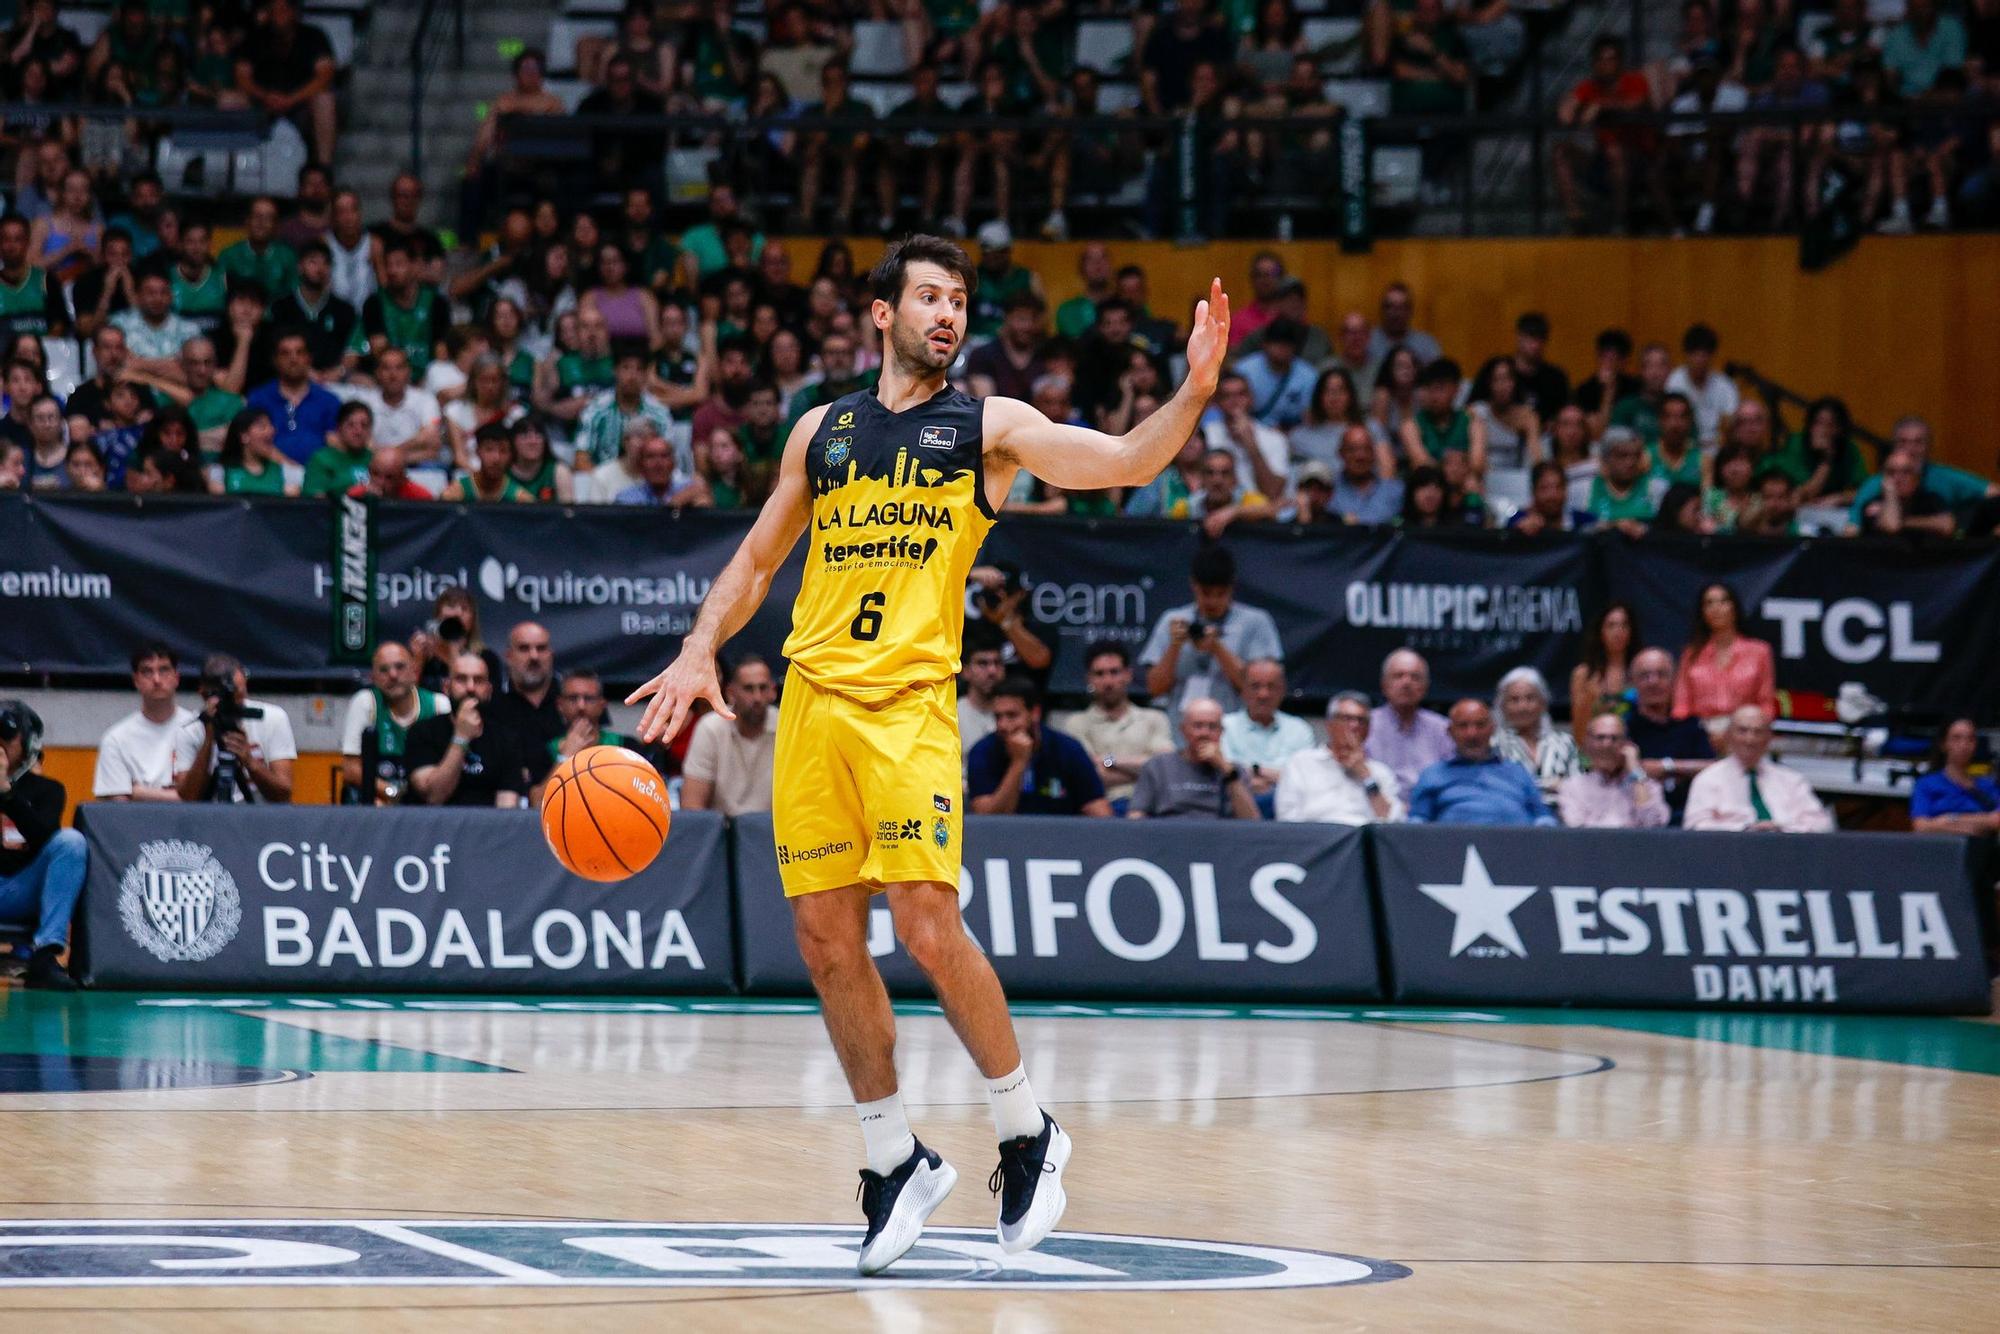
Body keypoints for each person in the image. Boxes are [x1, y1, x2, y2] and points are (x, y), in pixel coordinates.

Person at [622, 236, 1232, 1275]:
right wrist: (697, 646)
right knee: (823, 940)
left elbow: (1123, 460)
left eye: (959, 300)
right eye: (929, 297)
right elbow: (760, 554)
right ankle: (891, 1158)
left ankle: (1027, 1129)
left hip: (908, 706)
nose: (948, 314)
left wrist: (1193, 388)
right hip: (813, 702)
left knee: (923, 919)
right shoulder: (824, 429)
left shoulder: (987, 427)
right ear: (880, 312)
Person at [1138, 543, 1282, 722]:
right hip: (1181, 726)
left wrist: (1217, 648)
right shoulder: (1172, 620)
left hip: (1235, 729)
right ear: (1193, 585)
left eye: (1221, 594)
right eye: (1206, 593)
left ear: (1232, 587)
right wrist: (1175, 646)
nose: (1213, 601)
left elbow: (1258, 690)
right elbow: (1154, 688)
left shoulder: (1256, 621)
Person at [0, 699, 82, 989]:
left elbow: (43, 836)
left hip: (24, 889)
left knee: (71, 842)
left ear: (30, 744)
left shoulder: (49, 790)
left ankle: (45, 956)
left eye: (7, 736)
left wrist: (7, 795)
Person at [1055, 641, 1173, 814]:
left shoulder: (1155, 719)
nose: (1108, 681)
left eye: (1114, 672)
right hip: (1101, 810)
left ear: (1128, 675)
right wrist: (1144, 771)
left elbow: (1165, 767)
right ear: (1089, 678)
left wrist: (1109, 761)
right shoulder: (1076, 723)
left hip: (1151, 809)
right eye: (1100, 674)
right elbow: (1087, 777)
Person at [967, 678, 1112, 817]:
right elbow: (988, 821)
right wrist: (1018, 762)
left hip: (1058, 837)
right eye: (998, 717)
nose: (1003, 725)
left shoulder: (1067, 749)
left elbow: (1100, 812)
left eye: (1012, 715)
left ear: (1035, 713)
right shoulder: (982, 752)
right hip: (1005, 839)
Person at [402, 652, 529, 808]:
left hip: (487, 829)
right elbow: (434, 796)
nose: (470, 687)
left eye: (478, 680)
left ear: (489, 691)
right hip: (432, 828)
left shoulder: (506, 739)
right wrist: (461, 737)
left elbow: (507, 808)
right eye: (461, 679)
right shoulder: (422, 732)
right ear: (446, 687)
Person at [1407, 700, 1559, 827]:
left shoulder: (1517, 771)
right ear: (1450, 732)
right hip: (1454, 854)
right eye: (1463, 726)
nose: (1472, 734)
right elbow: (1416, 826)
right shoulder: (1433, 775)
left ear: (1492, 729)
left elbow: (1544, 818)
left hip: (1517, 852)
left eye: (1480, 725)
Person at [1684, 705, 1835, 832]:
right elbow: (1695, 826)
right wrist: (1744, 829)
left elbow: (1823, 824)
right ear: (1728, 736)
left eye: (1758, 732)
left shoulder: (1791, 780)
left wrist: (1783, 829)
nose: (1750, 739)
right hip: (1730, 855)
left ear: (1769, 737)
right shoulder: (1708, 779)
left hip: (1787, 853)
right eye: (1743, 731)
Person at [171, 654, 296, 804]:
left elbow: (283, 794)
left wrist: (250, 762)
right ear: (203, 693)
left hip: (260, 819)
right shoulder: (189, 728)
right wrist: (209, 737)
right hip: (209, 820)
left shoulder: (273, 718)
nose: (235, 704)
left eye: (240, 694)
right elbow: (188, 797)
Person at [338, 641, 451, 803]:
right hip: (378, 801)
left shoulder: (439, 704)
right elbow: (350, 770)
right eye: (384, 669)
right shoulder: (365, 702)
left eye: (400, 667)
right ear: (373, 678)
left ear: (415, 671)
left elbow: (449, 765)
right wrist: (390, 793)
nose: (393, 675)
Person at [1276, 691, 1404, 825]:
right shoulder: (1300, 763)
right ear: (1329, 724)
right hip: (1317, 840)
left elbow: (1394, 823)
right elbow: (1287, 819)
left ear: (1369, 730)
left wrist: (1366, 776)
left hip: (1363, 841)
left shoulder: (1381, 772)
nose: (1354, 726)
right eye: (1346, 718)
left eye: (1362, 720)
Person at [1129, 698, 1262, 820]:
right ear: (1183, 730)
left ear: (1222, 732)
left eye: (1212, 727)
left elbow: (1252, 822)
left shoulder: (1235, 771)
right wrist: (1109, 761)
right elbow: (1136, 815)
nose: (1205, 733)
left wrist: (1228, 772)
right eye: (1198, 726)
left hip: (1218, 839)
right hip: (1169, 837)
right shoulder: (1158, 766)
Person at [93, 642, 194, 801]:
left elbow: (206, 799)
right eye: (147, 671)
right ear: (136, 680)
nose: (156, 679)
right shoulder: (116, 739)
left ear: (177, 677)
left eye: (164, 670)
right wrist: (178, 796)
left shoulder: (198, 728)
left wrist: (138, 792)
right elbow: (116, 810)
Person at [680, 655, 779, 816]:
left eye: (763, 688)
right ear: (731, 693)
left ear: (773, 692)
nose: (757, 698)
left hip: (773, 834)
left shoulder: (787, 727)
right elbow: (692, 807)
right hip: (723, 833)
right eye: (749, 689)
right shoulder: (710, 728)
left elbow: (804, 801)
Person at [1674, 582, 1777, 731]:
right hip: (1700, 731)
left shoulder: (1760, 651)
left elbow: (1766, 703)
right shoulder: (1691, 654)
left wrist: (1754, 731)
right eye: (1709, 603)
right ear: (1702, 612)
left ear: (1734, 607)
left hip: (1745, 730)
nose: (1716, 608)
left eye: (1723, 601)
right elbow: (1681, 705)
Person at [1221, 658, 1315, 818]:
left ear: (1283, 690)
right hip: (1234, 807)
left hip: (1289, 809)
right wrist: (1278, 777)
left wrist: (1253, 771)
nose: (1263, 694)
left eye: (1271, 687)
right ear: (1242, 689)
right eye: (1255, 686)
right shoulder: (1224, 725)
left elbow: (1305, 777)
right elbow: (1223, 771)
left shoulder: (1300, 729)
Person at [1557, 713, 1670, 829]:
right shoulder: (1573, 787)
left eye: (1614, 738)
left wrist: (1636, 770)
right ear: (1587, 744)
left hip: (1635, 846)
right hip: (1591, 846)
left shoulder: (1647, 786)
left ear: (1627, 744)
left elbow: (1654, 825)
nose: (1607, 744)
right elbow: (1576, 831)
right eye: (1600, 738)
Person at [1368, 648, 1453, 796]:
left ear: (1425, 686)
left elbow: (1451, 777)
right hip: (1379, 807)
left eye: (1415, 677)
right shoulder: (1365, 725)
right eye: (1398, 676)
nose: (1406, 683)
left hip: (1431, 810)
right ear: (1384, 685)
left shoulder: (1442, 728)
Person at [246, 333, 341, 464]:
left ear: (309, 358)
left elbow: (337, 445)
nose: (293, 359)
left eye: (299, 352)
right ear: (275, 360)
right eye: (285, 353)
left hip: (319, 475)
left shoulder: (329, 401)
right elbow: (253, 443)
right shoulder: (258, 398)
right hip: (271, 473)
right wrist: (290, 467)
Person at [1492, 667, 1580, 794]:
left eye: (1530, 698)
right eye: (1514, 700)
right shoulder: (1493, 744)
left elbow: (1580, 786)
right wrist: (1550, 784)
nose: (1523, 707)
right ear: (1502, 706)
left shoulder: (1565, 742)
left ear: (1543, 703)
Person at [1909, 717, 2000, 834]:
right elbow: (1921, 826)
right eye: (1956, 738)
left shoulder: (1988, 785)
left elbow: (1996, 820)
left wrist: (1949, 820)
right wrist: (1977, 823)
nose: (1964, 745)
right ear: (1943, 744)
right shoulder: (1926, 784)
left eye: (1970, 739)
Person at [1850, 446, 1958, 537]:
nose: (1898, 478)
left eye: (1906, 472)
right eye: (1891, 472)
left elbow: (1947, 526)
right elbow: (1892, 527)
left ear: (1917, 478)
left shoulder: (1931, 499)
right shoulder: (1872, 505)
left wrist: (1904, 521)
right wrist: (1891, 494)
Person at [1664, 324, 1738, 448]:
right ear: (1687, 355)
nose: (1699, 360)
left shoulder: (1725, 386)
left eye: (1704, 355)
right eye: (1695, 355)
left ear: (1711, 356)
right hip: (1684, 445)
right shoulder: (1675, 381)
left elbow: (1730, 425)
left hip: (1717, 448)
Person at [1510, 460, 1597, 536]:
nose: (1552, 495)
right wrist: (1519, 532)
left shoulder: (1584, 521)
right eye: (1545, 488)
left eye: (1558, 487)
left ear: (1566, 490)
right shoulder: (1518, 522)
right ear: (1533, 492)